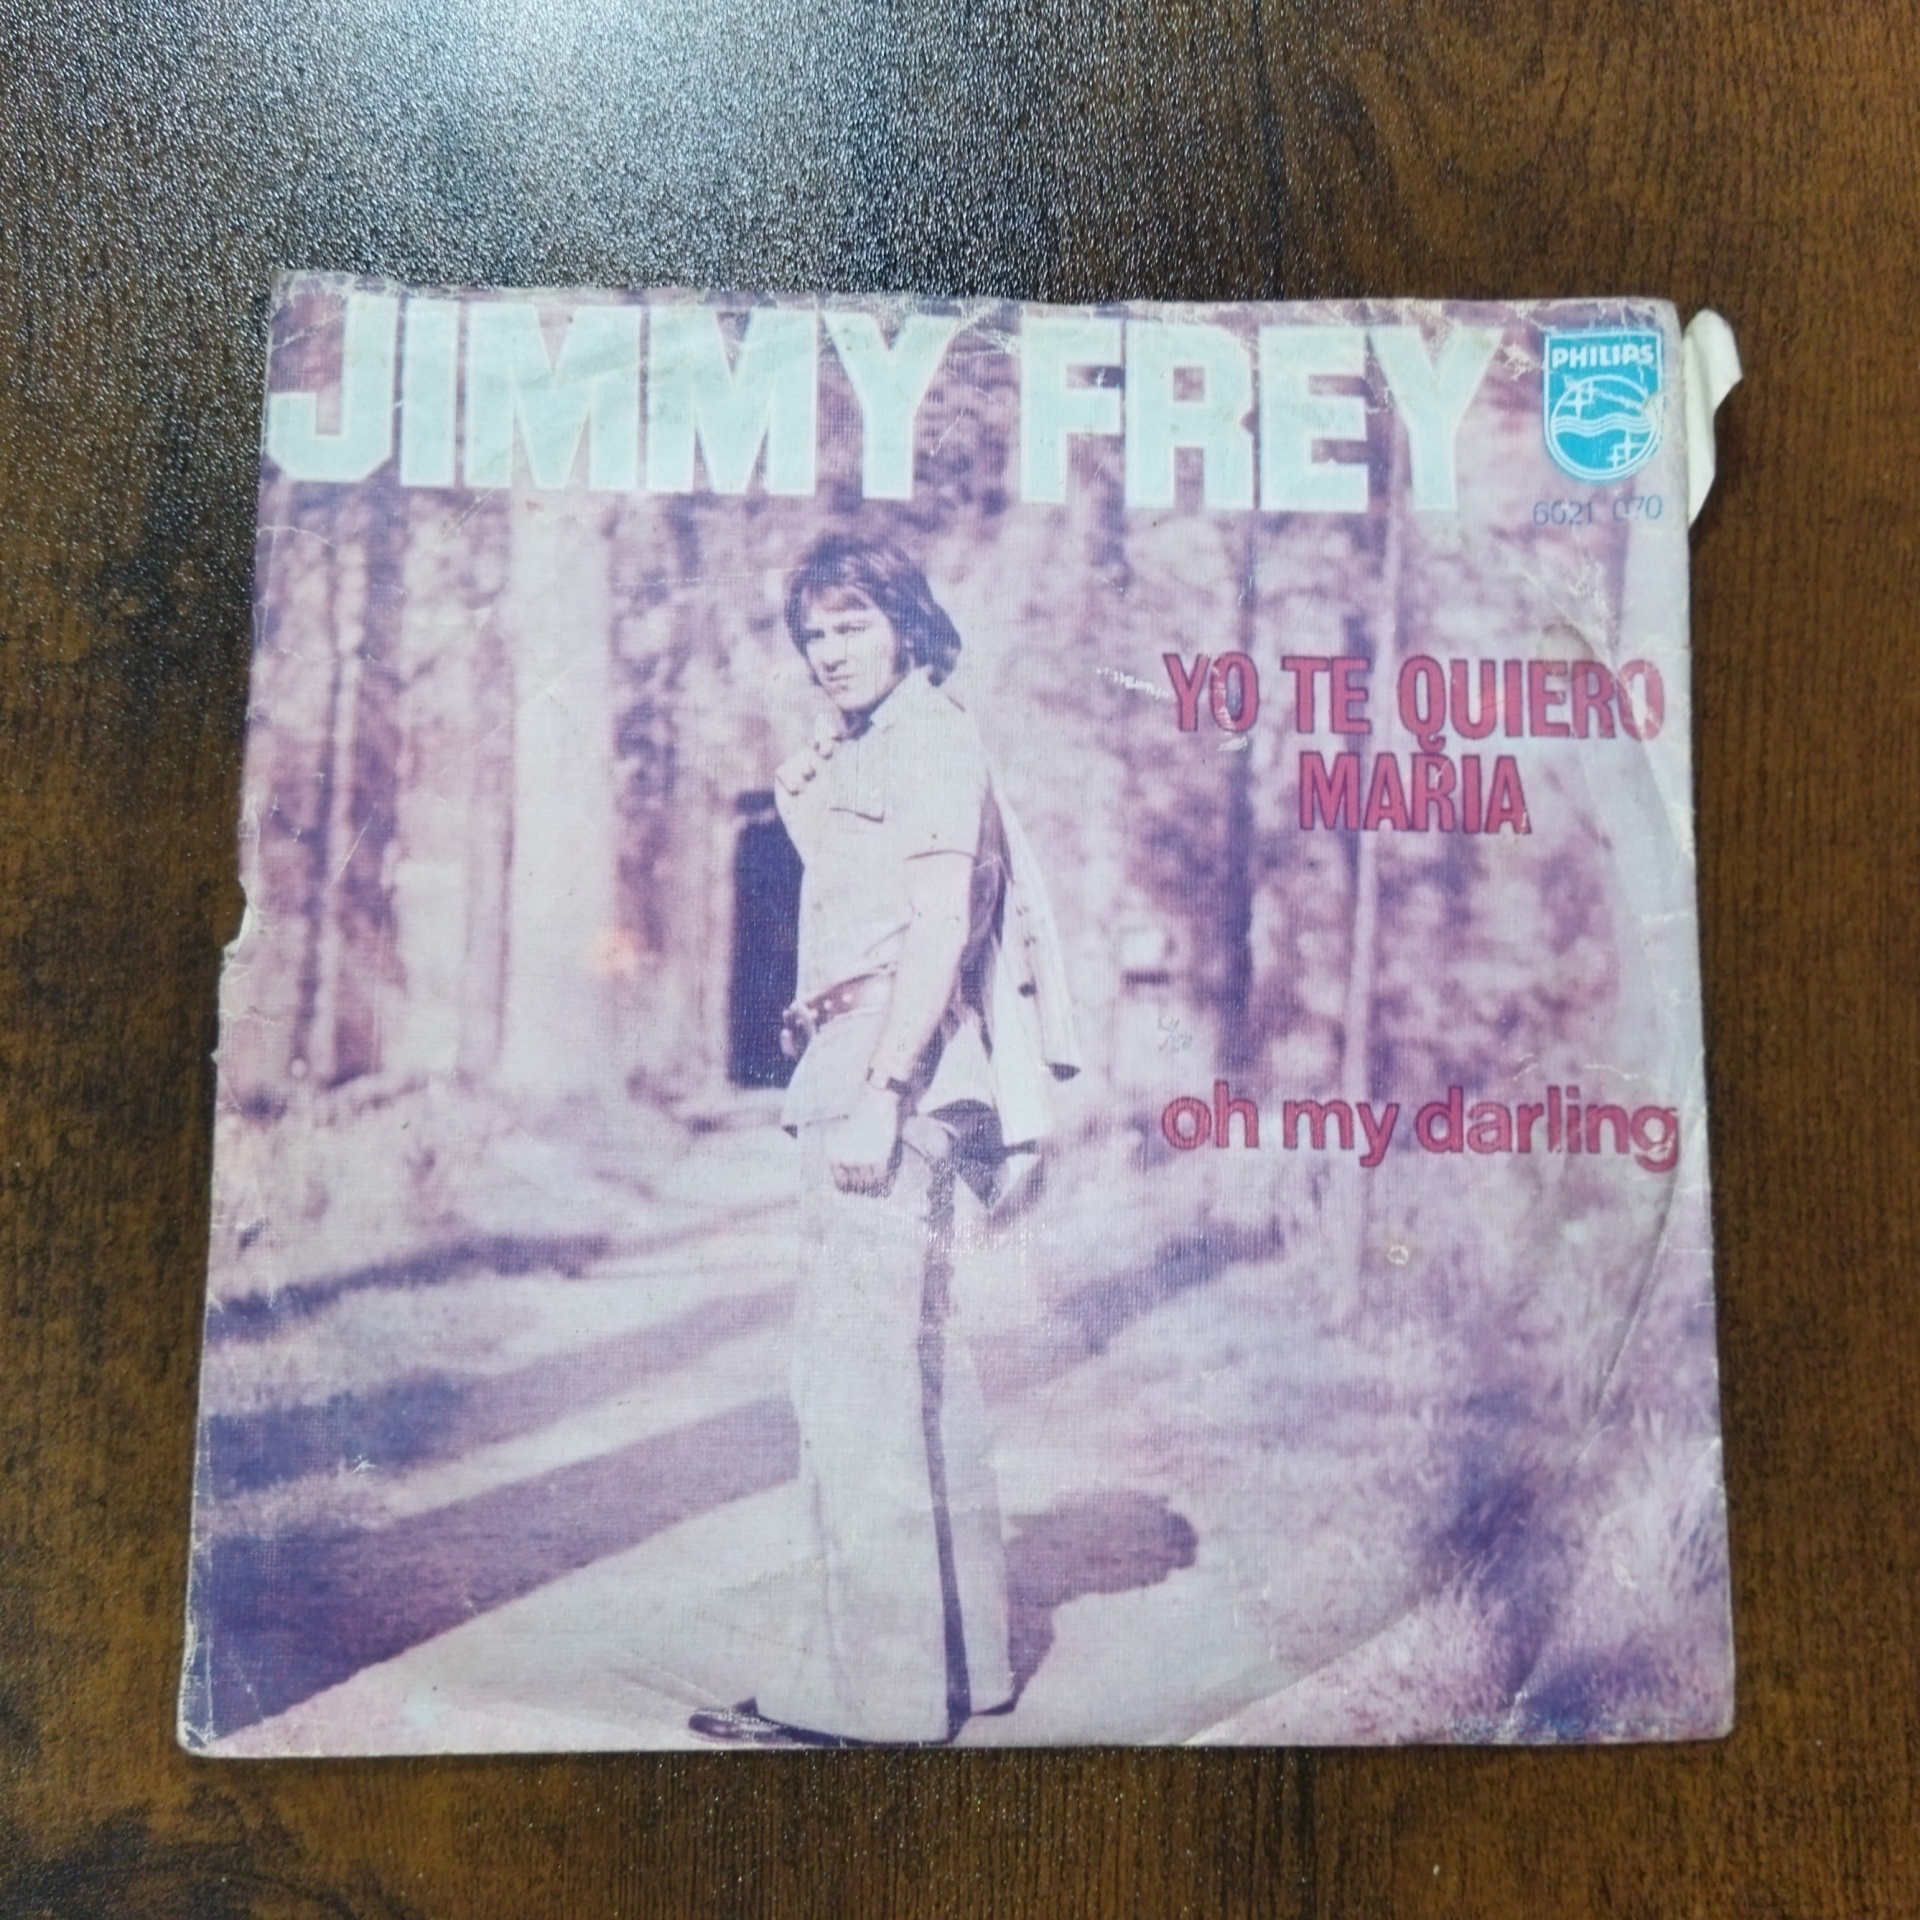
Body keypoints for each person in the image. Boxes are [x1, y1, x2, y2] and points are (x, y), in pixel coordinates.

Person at [690, 534, 1077, 1747]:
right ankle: (959, 1672)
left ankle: (861, 1700)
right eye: (814, 633)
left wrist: (881, 1088)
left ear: (908, 623)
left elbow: (937, 924)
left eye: (852, 623)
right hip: (875, 1058)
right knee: (915, 1374)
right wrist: (806, 786)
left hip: (883, 1071)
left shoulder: (928, 740)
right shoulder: (888, 747)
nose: (828, 650)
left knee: (853, 1389)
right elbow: (863, 890)